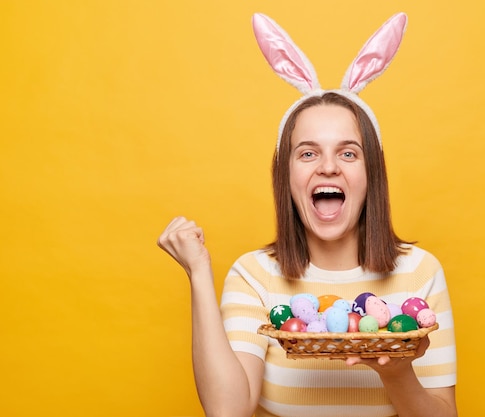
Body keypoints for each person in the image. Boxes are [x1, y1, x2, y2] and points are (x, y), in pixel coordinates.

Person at [157, 12, 457, 417]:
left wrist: (397, 373)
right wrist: (198, 272)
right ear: (287, 174)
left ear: (372, 175)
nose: (328, 167)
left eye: (348, 153)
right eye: (308, 153)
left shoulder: (421, 273)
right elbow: (227, 412)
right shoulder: (254, 276)